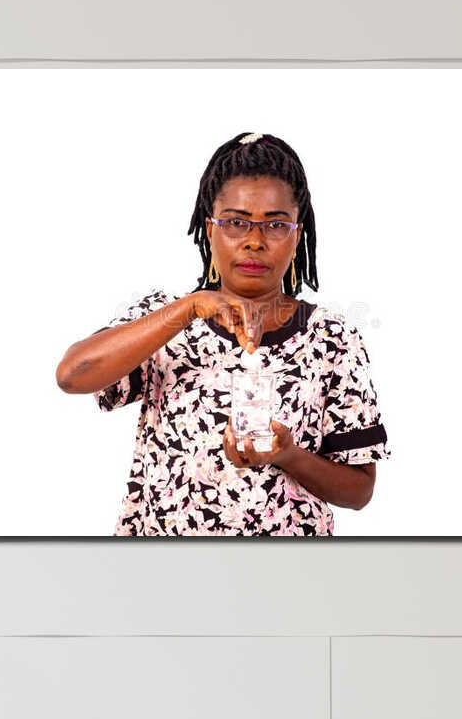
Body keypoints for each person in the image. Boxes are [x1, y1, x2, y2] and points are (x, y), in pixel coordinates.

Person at [55, 131, 390, 536]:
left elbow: (359, 490)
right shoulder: (166, 321)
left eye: (275, 225)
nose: (254, 241)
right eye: (235, 222)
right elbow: (72, 375)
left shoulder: (331, 339)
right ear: (209, 229)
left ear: (297, 234)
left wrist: (288, 456)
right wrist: (190, 307)